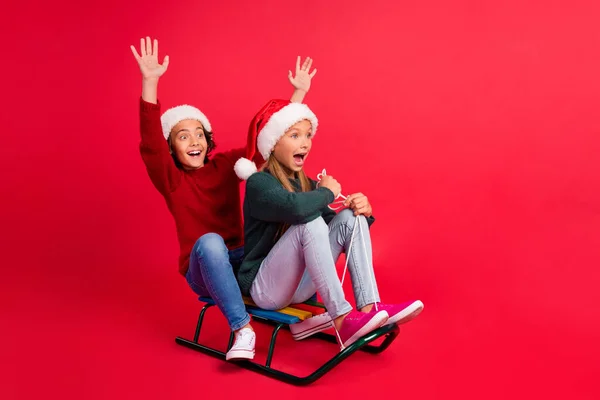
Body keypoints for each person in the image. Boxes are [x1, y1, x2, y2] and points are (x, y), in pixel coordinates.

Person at [130, 36, 317, 359]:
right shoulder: (172, 179)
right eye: (183, 136)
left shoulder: (226, 165)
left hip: (244, 264)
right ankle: (242, 329)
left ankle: (305, 314)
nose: (194, 141)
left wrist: (297, 95)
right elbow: (150, 144)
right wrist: (150, 83)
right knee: (211, 241)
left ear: (208, 139)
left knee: (286, 228)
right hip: (204, 267)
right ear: (172, 147)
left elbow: (265, 144)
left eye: (199, 134)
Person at [234, 99, 424, 349]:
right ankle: (342, 318)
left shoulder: (309, 185)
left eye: (308, 135)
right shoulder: (259, 183)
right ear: (273, 144)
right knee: (308, 221)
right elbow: (296, 208)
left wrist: (362, 212)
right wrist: (327, 194)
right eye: (294, 135)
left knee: (348, 218)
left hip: (298, 286)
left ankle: (371, 306)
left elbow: (329, 230)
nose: (305, 143)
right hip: (266, 290)